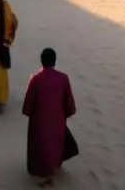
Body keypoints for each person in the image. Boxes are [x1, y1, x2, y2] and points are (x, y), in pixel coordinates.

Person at [22, 48, 78, 187]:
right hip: (57, 119)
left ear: (41, 60)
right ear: (54, 61)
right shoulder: (63, 78)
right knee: (55, 144)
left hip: (39, 121)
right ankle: (51, 170)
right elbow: (69, 103)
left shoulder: (35, 79)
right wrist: (65, 114)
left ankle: (44, 174)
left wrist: (29, 112)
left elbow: (28, 104)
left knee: (40, 145)